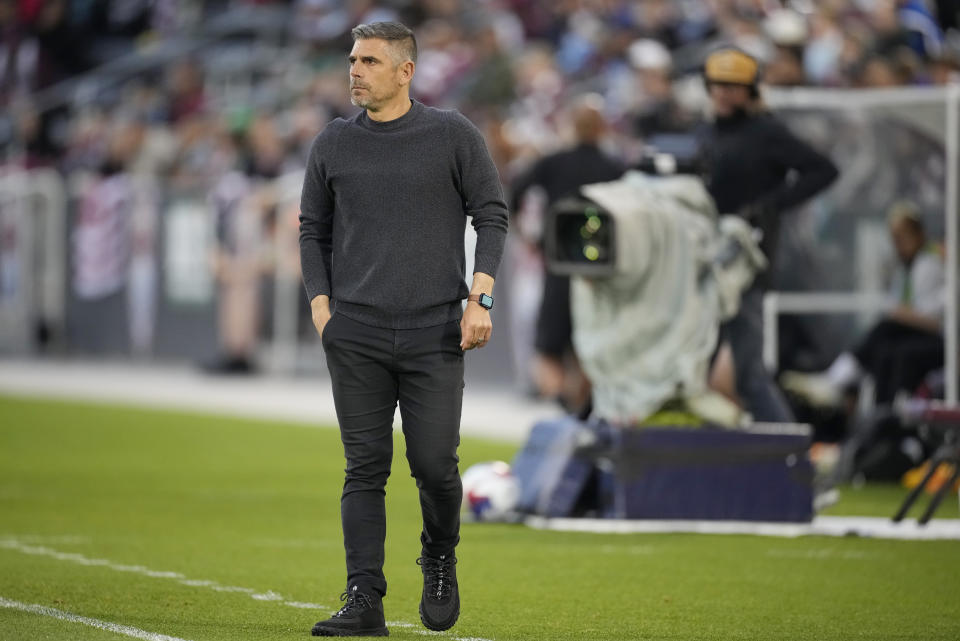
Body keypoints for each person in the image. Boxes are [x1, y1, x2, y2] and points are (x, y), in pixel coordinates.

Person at [298, 22, 508, 637]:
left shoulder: (451, 134)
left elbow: (491, 215)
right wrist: (321, 306)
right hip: (355, 330)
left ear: (405, 72)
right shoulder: (333, 142)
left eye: (369, 61)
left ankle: (439, 555)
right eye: (353, 60)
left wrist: (482, 299)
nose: (355, 71)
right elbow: (313, 228)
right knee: (365, 467)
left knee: (436, 465)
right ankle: (364, 599)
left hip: (435, 330)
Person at [699, 46, 839, 423]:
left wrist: (771, 204)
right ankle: (694, 460)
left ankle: (791, 456)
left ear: (750, 90)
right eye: (717, 84)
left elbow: (822, 170)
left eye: (733, 85)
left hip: (746, 263)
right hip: (702, 262)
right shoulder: (705, 133)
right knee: (694, 371)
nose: (724, 92)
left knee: (748, 375)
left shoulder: (766, 132)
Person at [510, 94, 624, 413]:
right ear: (602, 129)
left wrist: (527, 233)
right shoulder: (614, 167)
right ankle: (580, 408)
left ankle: (565, 405)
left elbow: (515, 191)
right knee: (588, 350)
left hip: (559, 267)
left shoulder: (554, 161)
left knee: (547, 351)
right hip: (600, 274)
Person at [783, 201, 945, 406]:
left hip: (937, 340)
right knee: (884, 352)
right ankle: (880, 414)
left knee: (887, 330)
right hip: (914, 336)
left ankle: (838, 380)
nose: (898, 244)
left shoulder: (930, 264)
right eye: (894, 238)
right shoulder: (904, 270)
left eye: (902, 237)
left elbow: (934, 319)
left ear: (918, 233)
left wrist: (902, 315)